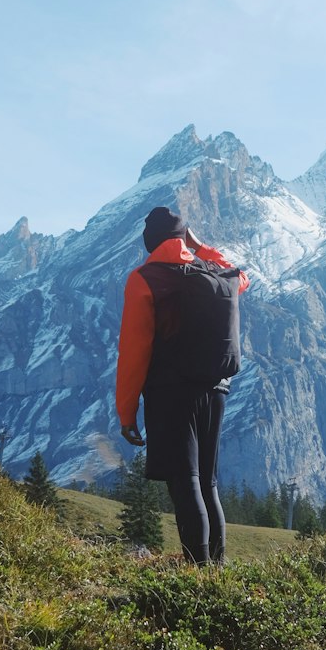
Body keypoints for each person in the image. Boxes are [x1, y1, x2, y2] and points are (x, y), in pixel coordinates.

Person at [116, 206, 249, 565]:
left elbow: (134, 350)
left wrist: (127, 413)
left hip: (172, 392)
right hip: (216, 389)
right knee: (207, 482)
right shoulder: (213, 271)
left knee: (184, 480)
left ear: (150, 242)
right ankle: (216, 570)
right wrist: (200, 245)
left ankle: (199, 571)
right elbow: (243, 279)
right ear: (182, 237)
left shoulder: (146, 278)